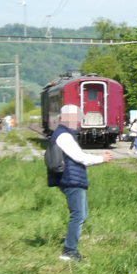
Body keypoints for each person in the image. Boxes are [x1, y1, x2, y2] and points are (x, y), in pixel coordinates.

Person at [47, 106, 112, 262]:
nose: (78, 121)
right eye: (76, 117)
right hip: (70, 179)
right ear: (67, 117)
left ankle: (70, 249)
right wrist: (100, 159)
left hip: (71, 179)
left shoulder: (64, 133)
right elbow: (79, 157)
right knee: (78, 215)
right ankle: (69, 251)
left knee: (81, 214)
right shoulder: (63, 135)